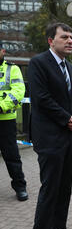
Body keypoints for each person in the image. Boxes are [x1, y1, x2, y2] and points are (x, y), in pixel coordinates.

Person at [27, 23, 72, 229]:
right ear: (51, 40)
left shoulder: (68, 66)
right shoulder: (38, 63)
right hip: (49, 139)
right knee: (50, 192)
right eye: (64, 37)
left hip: (67, 138)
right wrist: (66, 119)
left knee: (65, 190)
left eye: (71, 37)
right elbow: (42, 99)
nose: (70, 41)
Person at [0, 41, 28, 201]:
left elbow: (18, 92)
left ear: (3, 51)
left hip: (6, 121)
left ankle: (20, 187)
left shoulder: (12, 69)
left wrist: (1, 106)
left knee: (11, 156)